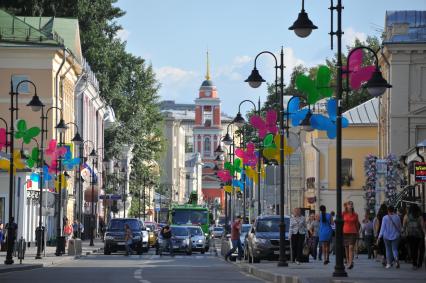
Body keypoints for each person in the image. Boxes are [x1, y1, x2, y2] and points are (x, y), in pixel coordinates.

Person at [402, 204, 425, 270]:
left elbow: (404, 226)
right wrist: (424, 233)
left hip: (409, 235)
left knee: (411, 249)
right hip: (418, 235)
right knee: (417, 249)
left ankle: (414, 263)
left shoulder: (406, 216)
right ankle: (417, 262)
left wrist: (403, 232)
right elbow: (422, 227)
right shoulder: (420, 217)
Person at [343, 201, 360, 269]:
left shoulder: (355, 214)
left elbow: (357, 224)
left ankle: (350, 262)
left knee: (351, 248)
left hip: (353, 232)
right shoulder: (343, 213)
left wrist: (358, 232)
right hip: (345, 232)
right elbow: (341, 223)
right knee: (346, 248)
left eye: (352, 204)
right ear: (347, 206)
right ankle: (347, 261)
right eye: (349, 204)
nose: (351, 205)